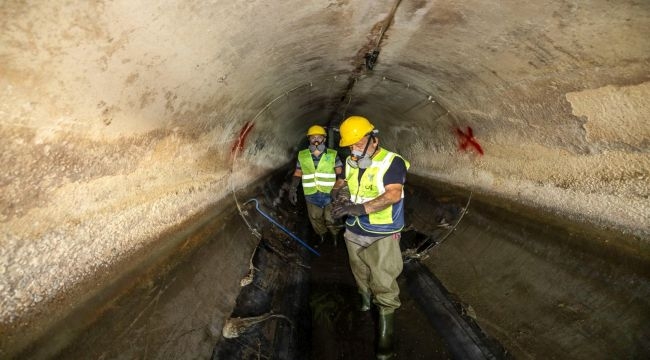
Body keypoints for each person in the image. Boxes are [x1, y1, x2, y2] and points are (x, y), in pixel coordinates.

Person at [331, 116, 409, 359]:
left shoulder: (391, 162)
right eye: (350, 145)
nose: (353, 149)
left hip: (381, 232)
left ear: (374, 140)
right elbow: (342, 182)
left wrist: (360, 209)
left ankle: (385, 334)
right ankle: (365, 301)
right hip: (354, 229)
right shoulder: (352, 160)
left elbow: (393, 195)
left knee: (383, 279)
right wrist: (341, 197)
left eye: (357, 143)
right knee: (359, 270)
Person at [289, 125, 345, 246]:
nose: (316, 139)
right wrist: (293, 188)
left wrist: (340, 190)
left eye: (319, 137)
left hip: (330, 194)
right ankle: (322, 235)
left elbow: (341, 174)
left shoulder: (332, 154)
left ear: (324, 139)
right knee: (315, 218)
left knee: (331, 218)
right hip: (311, 194)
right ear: (309, 139)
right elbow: (298, 172)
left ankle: (335, 235)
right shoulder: (302, 155)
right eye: (312, 137)